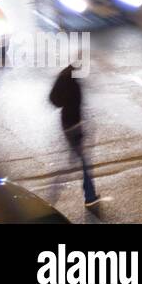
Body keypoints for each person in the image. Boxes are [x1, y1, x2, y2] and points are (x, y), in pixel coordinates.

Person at [49, 64, 100, 212]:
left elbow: (53, 100)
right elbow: (78, 104)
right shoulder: (73, 81)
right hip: (74, 126)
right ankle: (88, 197)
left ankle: (89, 196)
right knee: (78, 164)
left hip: (67, 124)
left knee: (77, 162)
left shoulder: (63, 78)